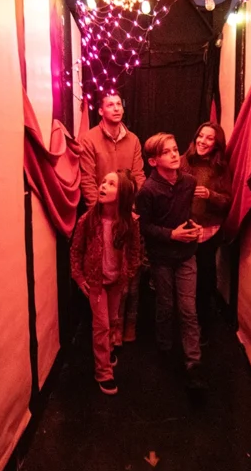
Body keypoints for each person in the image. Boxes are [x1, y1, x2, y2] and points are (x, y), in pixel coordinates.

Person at [135, 133, 206, 390]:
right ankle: (164, 349)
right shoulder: (148, 191)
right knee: (165, 305)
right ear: (153, 161)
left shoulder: (188, 182)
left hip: (186, 254)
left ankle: (193, 363)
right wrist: (170, 234)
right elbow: (144, 227)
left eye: (175, 149)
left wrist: (192, 226)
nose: (175, 154)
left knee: (188, 309)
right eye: (167, 152)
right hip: (162, 257)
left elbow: (185, 214)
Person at [78, 92, 146, 345]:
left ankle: (128, 324)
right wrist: (98, 211)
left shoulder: (134, 140)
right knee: (106, 273)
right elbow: (87, 179)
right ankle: (109, 330)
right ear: (101, 110)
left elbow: (139, 177)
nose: (116, 108)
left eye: (119, 103)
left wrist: (135, 210)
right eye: (110, 104)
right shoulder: (89, 139)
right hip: (102, 215)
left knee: (130, 273)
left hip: (129, 216)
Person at [70, 170, 142, 395]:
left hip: (116, 282)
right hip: (96, 283)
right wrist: (79, 277)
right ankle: (103, 372)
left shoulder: (130, 223)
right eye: (103, 182)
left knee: (112, 320)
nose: (103, 186)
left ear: (122, 195)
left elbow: (134, 252)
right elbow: (76, 250)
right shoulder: (88, 219)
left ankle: (109, 348)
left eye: (111, 184)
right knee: (101, 326)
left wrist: (127, 274)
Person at [181, 122, 232, 343]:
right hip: (185, 227)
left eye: (209, 138)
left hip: (209, 230)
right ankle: (184, 323)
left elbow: (227, 201)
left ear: (216, 143)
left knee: (205, 278)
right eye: (200, 136)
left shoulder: (221, 167)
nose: (203, 141)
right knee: (183, 278)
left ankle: (202, 325)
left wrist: (210, 194)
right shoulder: (184, 161)